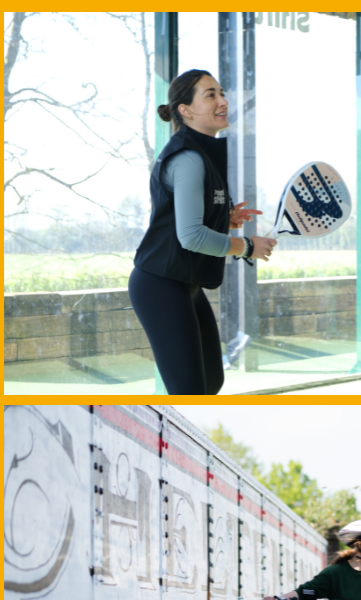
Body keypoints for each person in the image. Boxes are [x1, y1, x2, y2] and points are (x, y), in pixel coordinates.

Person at [129, 69, 276, 395]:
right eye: (210, 95)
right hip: (160, 284)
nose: (223, 101)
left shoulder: (199, 153)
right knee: (190, 390)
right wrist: (248, 246)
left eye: (221, 93)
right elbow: (191, 236)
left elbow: (182, 219)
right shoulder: (189, 157)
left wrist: (224, 217)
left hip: (184, 283)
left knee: (212, 381)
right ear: (186, 110)